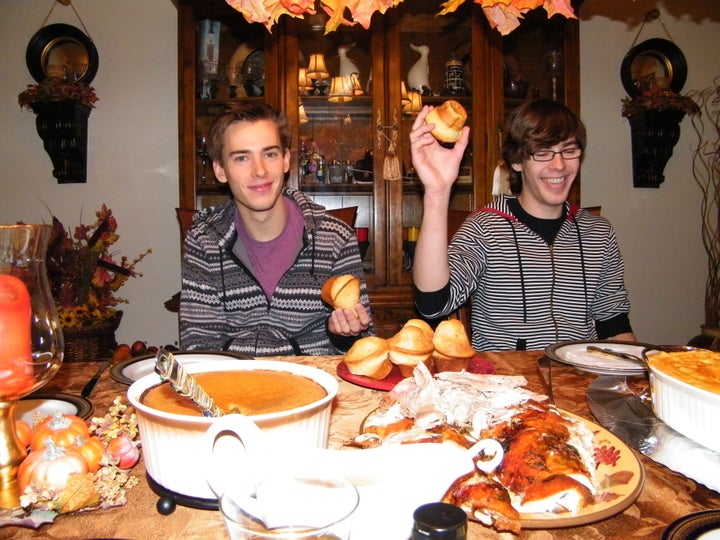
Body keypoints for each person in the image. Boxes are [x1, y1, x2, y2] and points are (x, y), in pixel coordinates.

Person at [409, 98, 635, 351]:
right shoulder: (484, 228)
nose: (559, 164)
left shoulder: (599, 233)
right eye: (542, 152)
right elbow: (432, 304)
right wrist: (437, 192)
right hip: (508, 382)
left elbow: (614, 325)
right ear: (517, 160)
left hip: (578, 379)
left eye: (569, 150)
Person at [180, 103, 373, 356]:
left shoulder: (335, 237)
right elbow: (197, 347)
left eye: (269, 154)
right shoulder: (203, 241)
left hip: (311, 384)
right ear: (220, 170)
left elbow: (363, 347)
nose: (259, 170)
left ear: (285, 160)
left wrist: (344, 336)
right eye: (241, 158)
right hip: (234, 385)